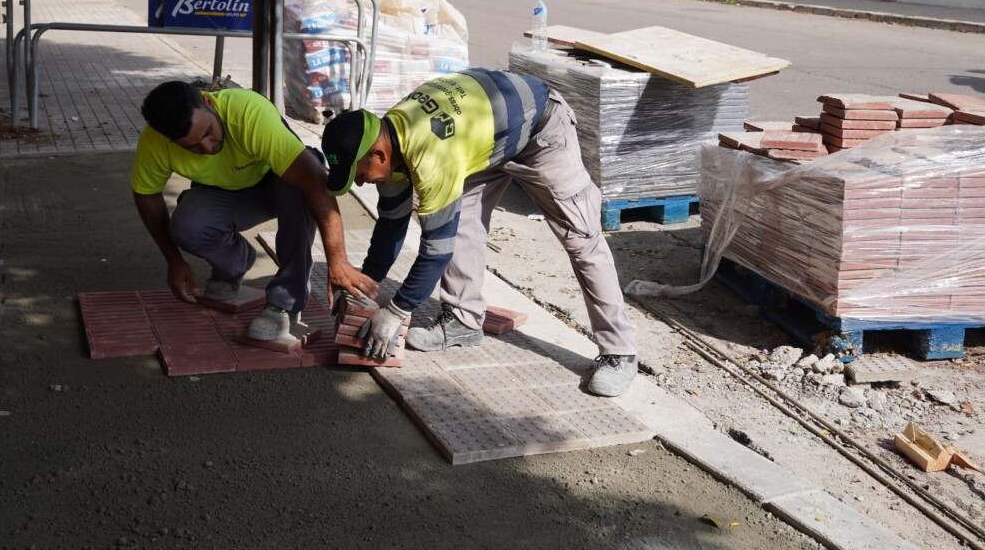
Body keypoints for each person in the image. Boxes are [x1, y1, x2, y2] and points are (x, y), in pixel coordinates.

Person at [321, 68, 638, 397]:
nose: (360, 183)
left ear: (379, 154)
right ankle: (463, 319)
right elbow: (391, 226)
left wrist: (397, 312)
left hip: (540, 129)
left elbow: (436, 252)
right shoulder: (388, 138)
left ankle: (620, 352)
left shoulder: (431, 158)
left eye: (359, 174)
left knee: (582, 238)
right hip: (485, 138)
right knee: (459, 222)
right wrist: (363, 287)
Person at [131, 81, 377, 341]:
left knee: (301, 186)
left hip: (280, 182)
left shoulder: (247, 112)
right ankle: (235, 264)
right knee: (187, 227)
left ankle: (286, 303)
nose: (207, 148)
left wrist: (337, 260)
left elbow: (314, 181)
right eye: (191, 147)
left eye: (208, 133)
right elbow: (146, 195)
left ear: (209, 103)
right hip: (227, 191)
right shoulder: (155, 141)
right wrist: (173, 260)